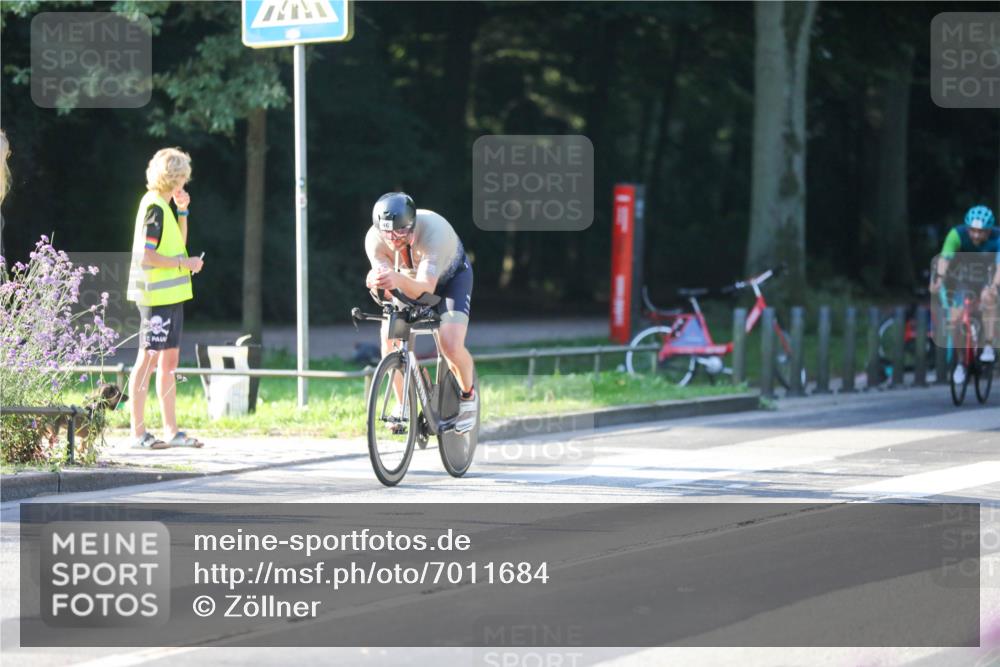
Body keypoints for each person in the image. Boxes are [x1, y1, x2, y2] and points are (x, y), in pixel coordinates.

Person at [364, 192, 478, 433]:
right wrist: (377, 283)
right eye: (387, 234)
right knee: (389, 337)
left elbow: (426, 289)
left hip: (450, 281)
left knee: (450, 344)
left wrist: (394, 278)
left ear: (412, 225)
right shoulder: (374, 240)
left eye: (401, 232)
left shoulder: (433, 232)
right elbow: (388, 289)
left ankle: (469, 396)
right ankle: (402, 403)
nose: (394, 239)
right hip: (408, 280)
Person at [125, 148, 205, 448]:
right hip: (155, 298)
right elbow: (147, 256)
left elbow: (178, 246)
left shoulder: (164, 206)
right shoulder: (155, 208)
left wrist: (183, 212)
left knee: (168, 362)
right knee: (147, 359)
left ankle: (172, 431)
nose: (185, 183)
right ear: (173, 178)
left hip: (170, 296)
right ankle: (137, 433)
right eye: (182, 178)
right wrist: (186, 264)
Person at [929, 204, 1000, 384]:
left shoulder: (997, 238)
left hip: (988, 277)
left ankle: (989, 346)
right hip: (963, 278)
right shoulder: (956, 234)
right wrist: (938, 279)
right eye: (973, 231)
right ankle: (961, 361)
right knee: (954, 320)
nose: (976, 235)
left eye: (981, 232)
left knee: (989, 298)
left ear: (989, 230)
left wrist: (994, 286)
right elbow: (945, 259)